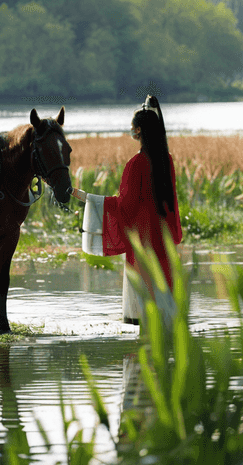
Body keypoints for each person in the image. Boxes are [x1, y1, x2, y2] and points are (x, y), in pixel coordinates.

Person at [72, 95, 182, 324]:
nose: (130, 130)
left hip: (143, 243)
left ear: (139, 130)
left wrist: (88, 198)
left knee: (144, 311)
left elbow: (126, 206)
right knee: (164, 310)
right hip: (162, 240)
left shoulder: (137, 163)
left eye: (132, 127)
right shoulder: (166, 160)